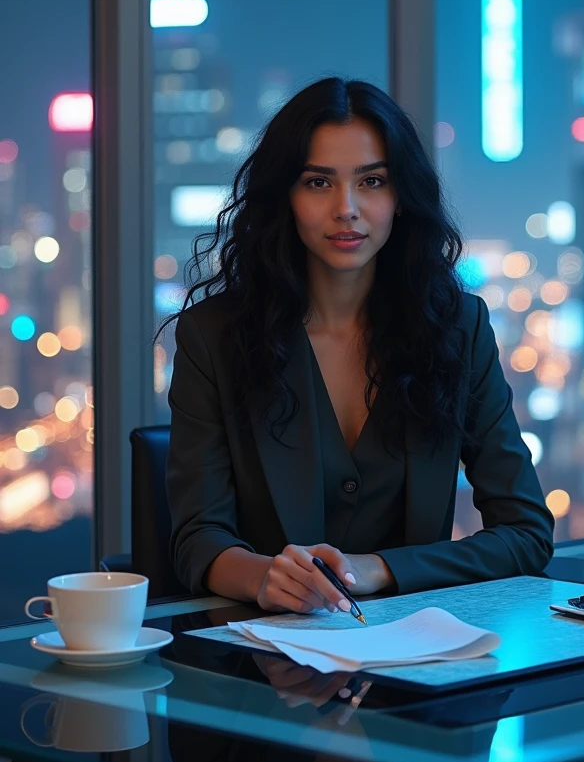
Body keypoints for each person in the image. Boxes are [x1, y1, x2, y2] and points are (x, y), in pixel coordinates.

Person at [165, 77, 554, 616]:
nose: (346, 208)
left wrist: (380, 568)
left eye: (371, 181)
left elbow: (526, 532)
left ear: (402, 197)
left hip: (419, 660)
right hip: (260, 664)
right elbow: (196, 540)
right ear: (285, 197)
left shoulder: (457, 330)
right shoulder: (213, 336)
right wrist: (266, 578)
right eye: (318, 183)